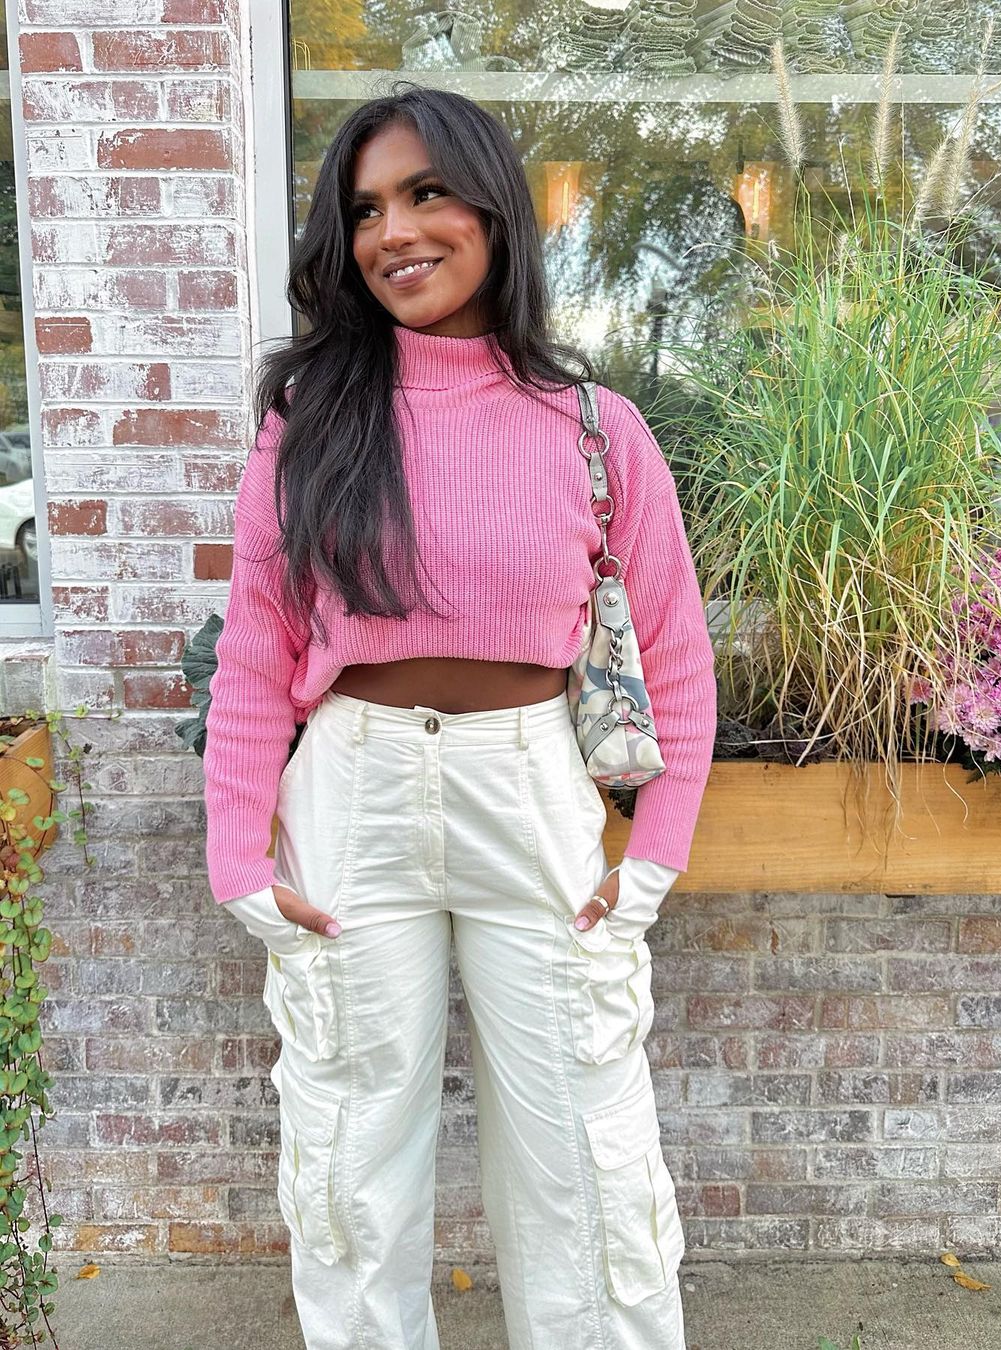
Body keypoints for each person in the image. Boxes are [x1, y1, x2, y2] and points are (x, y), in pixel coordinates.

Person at [201, 81, 717, 1350]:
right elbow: (259, 647)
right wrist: (237, 853)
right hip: (354, 795)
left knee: (585, 1152)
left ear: (493, 210)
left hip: (531, 789)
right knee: (348, 1152)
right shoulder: (309, 424)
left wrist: (654, 855)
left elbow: (674, 655)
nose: (395, 231)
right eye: (366, 208)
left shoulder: (596, 428)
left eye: (426, 192)